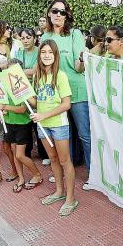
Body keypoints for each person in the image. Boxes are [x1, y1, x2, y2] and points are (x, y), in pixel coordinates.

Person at [41, 0, 91, 190]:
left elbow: (79, 67)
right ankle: (63, 173)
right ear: (49, 14)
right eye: (55, 11)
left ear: (67, 15)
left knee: (85, 135)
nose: (58, 15)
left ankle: (92, 173)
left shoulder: (75, 34)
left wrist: (82, 60)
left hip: (77, 90)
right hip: (56, 94)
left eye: (62, 12)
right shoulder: (45, 37)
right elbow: (44, 66)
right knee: (63, 134)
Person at [30, 39, 78, 216]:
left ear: (55, 55)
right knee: (53, 159)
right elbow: (37, 102)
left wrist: (43, 115)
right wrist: (24, 95)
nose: (47, 55)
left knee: (65, 161)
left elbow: (66, 104)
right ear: (39, 55)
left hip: (58, 125)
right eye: (43, 52)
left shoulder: (61, 75)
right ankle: (59, 191)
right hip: (43, 126)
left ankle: (71, 198)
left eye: (50, 52)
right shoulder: (37, 76)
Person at [0, 62, 43, 193]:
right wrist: (3, 111)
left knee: (19, 155)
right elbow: (5, 105)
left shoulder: (23, 85)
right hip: (9, 123)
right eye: (7, 70)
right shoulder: (5, 86)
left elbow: (23, 109)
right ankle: (21, 178)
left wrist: (5, 107)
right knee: (14, 152)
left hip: (22, 125)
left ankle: (37, 174)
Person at [14, 28, 50, 164]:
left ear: (34, 38)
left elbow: (35, 70)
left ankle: (44, 154)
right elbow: (14, 70)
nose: (25, 40)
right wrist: (24, 72)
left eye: (28, 37)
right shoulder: (18, 52)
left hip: (36, 89)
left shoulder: (39, 52)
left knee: (38, 122)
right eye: (22, 38)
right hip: (21, 90)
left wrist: (20, 71)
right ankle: (27, 152)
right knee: (25, 122)